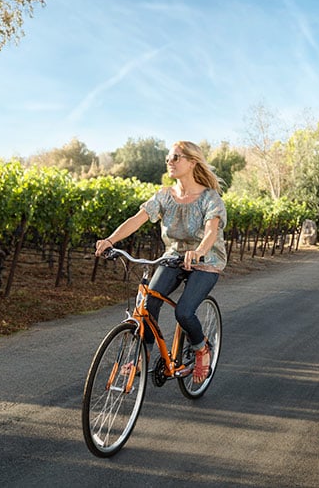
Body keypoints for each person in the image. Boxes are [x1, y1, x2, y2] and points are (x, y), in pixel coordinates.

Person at [95, 140, 227, 384]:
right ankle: (142, 355)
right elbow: (138, 218)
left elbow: (211, 231)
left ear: (192, 162)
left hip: (205, 260)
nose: (170, 162)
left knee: (184, 312)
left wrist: (198, 251)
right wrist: (111, 240)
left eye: (176, 157)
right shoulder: (165, 196)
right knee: (147, 303)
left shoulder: (210, 198)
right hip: (174, 257)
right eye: (168, 158)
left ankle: (201, 348)